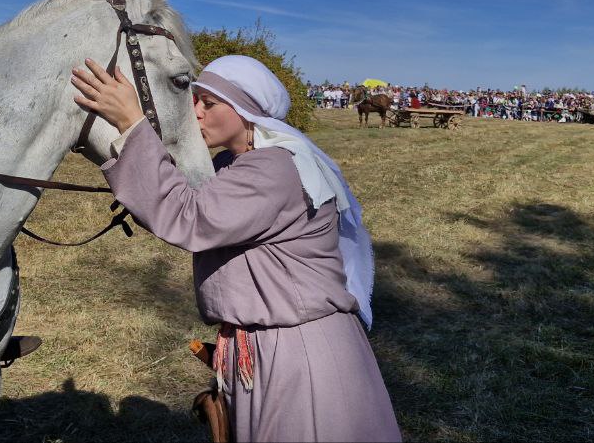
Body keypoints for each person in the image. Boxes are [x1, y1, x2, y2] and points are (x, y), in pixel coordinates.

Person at [71, 55, 400, 442]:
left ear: (246, 112)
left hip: (299, 354)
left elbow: (190, 218)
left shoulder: (274, 169)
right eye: (195, 100)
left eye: (208, 104)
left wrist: (131, 124)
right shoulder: (238, 163)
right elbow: (179, 205)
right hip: (271, 344)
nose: (195, 112)